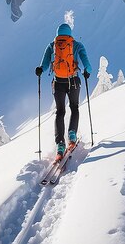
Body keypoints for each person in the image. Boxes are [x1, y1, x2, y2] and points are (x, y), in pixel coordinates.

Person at [35, 23, 92, 160]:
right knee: (74, 107)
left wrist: (41, 69)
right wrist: (87, 71)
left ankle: (60, 145)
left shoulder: (52, 45)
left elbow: (45, 63)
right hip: (73, 81)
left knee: (60, 112)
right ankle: (72, 133)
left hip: (58, 82)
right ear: (70, 33)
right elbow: (86, 63)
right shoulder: (76, 44)